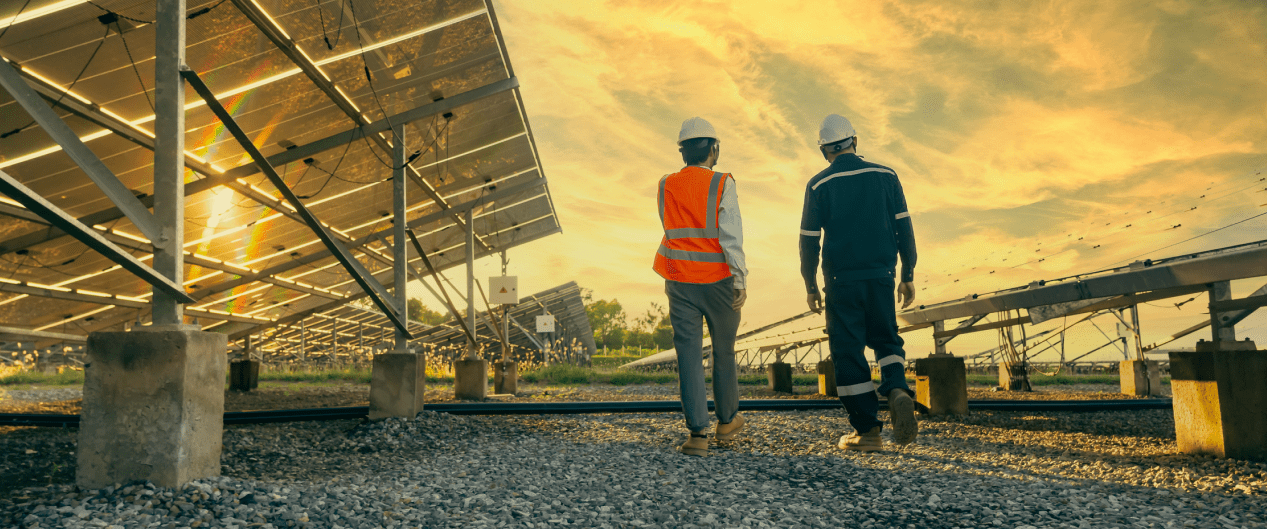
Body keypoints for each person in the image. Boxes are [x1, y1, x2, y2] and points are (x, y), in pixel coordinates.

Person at [799, 113, 919, 452]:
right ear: (856, 141)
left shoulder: (819, 184)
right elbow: (904, 230)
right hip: (882, 275)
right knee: (886, 339)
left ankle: (867, 432)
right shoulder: (886, 175)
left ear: (824, 151)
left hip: (841, 281)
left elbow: (808, 241)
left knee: (848, 352)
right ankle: (896, 387)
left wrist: (810, 285)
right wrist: (907, 274)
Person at [654, 116, 749, 457]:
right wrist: (740, 279)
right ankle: (727, 423)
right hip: (719, 281)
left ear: (682, 152)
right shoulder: (723, 182)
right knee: (723, 351)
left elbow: (670, 225)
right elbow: (731, 234)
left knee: (689, 355)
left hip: (679, 281)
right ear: (714, 149)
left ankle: (697, 436)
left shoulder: (666, 184)